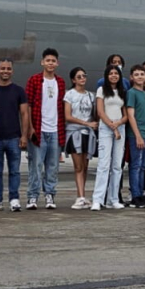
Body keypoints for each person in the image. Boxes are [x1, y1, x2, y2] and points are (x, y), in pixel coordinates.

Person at [0, 58, 29, 212]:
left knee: (14, 171)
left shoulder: (18, 91)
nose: (5, 71)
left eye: (8, 69)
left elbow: (24, 114)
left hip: (14, 138)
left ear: (12, 71)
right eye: (2, 68)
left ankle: (14, 199)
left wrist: (24, 136)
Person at [25, 48, 66, 210]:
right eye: (47, 60)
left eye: (53, 61)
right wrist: (30, 127)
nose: (50, 63)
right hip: (39, 130)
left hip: (56, 130)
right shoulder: (34, 80)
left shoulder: (60, 82)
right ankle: (32, 197)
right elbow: (27, 105)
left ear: (57, 63)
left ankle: (50, 194)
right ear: (42, 62)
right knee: (35, 165)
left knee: (53, 165)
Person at [92, 65, 127, 210]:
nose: (114, 76)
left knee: (117, 165)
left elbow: (125, 114)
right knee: (103, 165)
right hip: (106, 128)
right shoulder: (102, 90)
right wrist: (112, 126)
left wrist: (118, 124)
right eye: (111, 73)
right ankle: (98, 199)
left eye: (116, 73)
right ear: (107, 76)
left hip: (120, 128)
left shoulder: (122, 91)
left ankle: (113, 199)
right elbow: (100, 111)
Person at [63, 67, 98, 209]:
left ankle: (83, 195)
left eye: (84, 76)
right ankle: (80, 196)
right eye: (79, 76)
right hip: (75, 133)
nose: (82, 78)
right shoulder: (69, 95)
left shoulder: (91, 96)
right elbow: (68, 116)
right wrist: (86, 123)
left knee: (85, 166)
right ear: (73, 80)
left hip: (87, 134)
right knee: (78, 167)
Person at [125, 67, 145, 208]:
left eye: (142, 74)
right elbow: (131, 115)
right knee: (136, 165)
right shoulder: (131, 93)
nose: (140, 76)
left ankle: (140, 193)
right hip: (137, 134)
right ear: (132, 77)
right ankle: (135, 195)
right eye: (136, 74)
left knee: (143, 166)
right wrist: (137, 135)